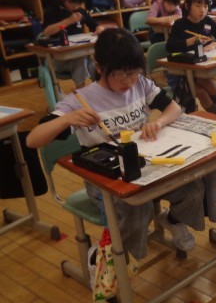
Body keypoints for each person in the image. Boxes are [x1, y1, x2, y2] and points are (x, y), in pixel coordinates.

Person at [26, 28, 204, 259]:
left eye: (134, 73)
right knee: (137, 206)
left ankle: (172, 220)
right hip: (105, 180)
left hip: (144, 167)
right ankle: (110, 257)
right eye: (121, 74)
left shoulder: (140, 84)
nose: (129, 81)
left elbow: (174, 108)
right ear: (100, 68)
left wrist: (157, 123)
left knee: (192, 187)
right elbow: (33, 140)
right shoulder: (81, 100)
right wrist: (67, 119)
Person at [42, 0, 106, 88]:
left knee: (94, 65)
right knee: (80, 59)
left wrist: (100, 28)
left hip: (79, 55)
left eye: (78, 3)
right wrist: (68, 21)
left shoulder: (80, 11)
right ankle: (81, 91)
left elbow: (95, 25)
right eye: (73, 2)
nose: (76, 6)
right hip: (58, 60)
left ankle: (100, 90)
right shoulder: (52, 10)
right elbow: (46, 31)